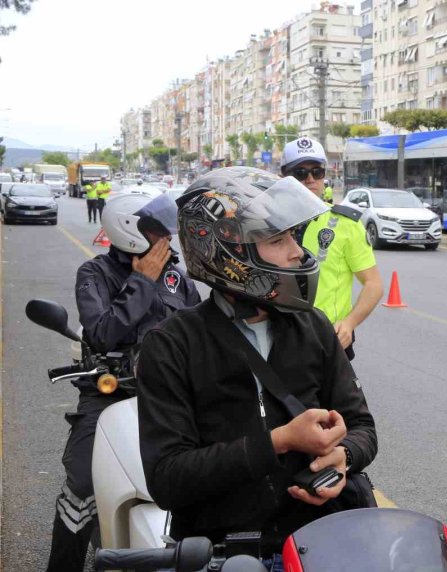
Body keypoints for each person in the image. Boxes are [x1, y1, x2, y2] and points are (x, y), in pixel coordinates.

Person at [137, 167, 377, 552]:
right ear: (228, 249)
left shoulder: (312, 326)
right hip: (218, 549)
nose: (298, 252)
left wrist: (343, 455)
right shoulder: (171, 345)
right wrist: (279, 441)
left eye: (293, 238)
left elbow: (362, 425)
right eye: (278, 240)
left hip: (317, 542)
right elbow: (168, 478)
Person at [47, 193, 200, 572]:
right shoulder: (95, 273)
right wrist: (141, 281)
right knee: (82, 482)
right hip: (112, 392)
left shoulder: (176, 276)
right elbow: (102, 333)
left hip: (173, 393)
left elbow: (201, 329)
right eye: (157, 230)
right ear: (131, 232)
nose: (166, 237)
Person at [280, 137, 383, 361]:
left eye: (317, 172)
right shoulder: (269, 222)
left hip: (328, 340)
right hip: (278, 339)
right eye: (300, 172)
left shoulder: (346, 223)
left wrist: (349, 323)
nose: (310, 179)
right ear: (284, 176)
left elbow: (373, 284)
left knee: (340, 398)